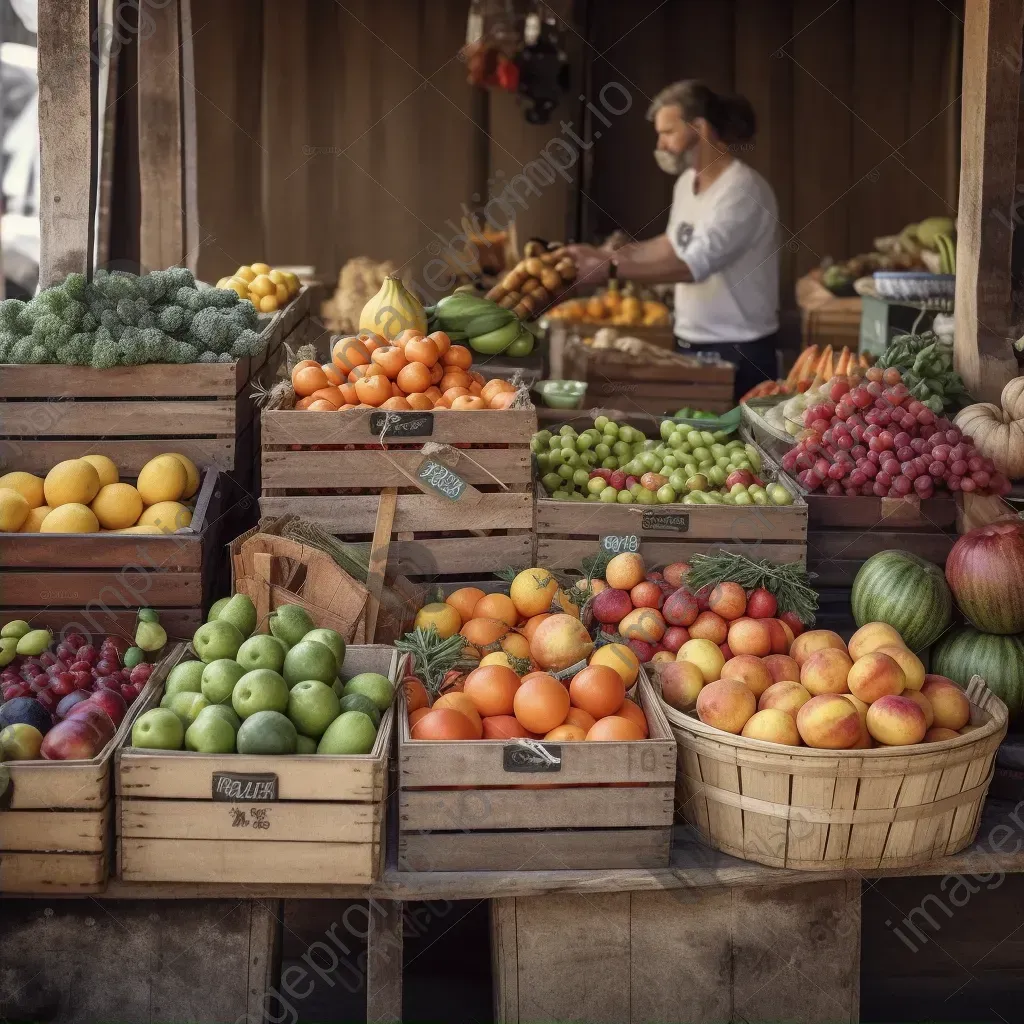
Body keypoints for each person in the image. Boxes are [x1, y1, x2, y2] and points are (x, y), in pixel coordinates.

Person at [565, 80, 781, 402]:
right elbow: (670, 245)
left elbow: (691, 266)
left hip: (739, 351)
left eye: (668, 133)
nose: (661, 145)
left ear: (700, 128)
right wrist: (599, 254)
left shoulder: (742, 191)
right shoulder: (685, 184)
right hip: (689, 342)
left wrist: (608, 270)